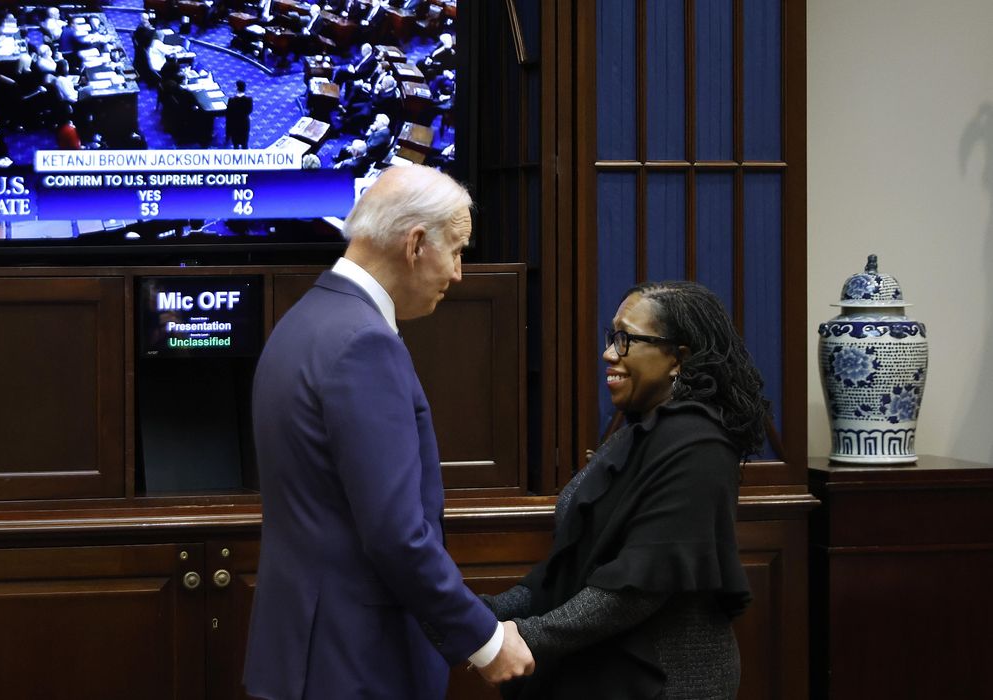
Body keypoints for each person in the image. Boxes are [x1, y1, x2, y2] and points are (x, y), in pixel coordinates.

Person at [243, 164, 536, 699]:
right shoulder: (363, 343)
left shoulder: (305, 320)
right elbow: (398, 535)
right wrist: (486, 641)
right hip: (354, 662)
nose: (459, 275)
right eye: (458, 251)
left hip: (306, 653)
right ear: (417, 243)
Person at [482, 280, 764, 699]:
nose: (609, 353)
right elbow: (568, 569)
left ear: (677, 358)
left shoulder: (699, 444)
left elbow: (636, 588)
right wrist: (481, 616)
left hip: (664, 681)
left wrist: (525, 636)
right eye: (613, 337)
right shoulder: (638, 433)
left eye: (627, 339)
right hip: (605, 668)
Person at [226, 80, 253, 148]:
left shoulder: (231, 100)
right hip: (244, 124)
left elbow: (229, 113)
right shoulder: (249, 100)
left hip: (235, 124)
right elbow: (249, 111)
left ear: (236, 88)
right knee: (244, 144)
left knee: (235, 145)